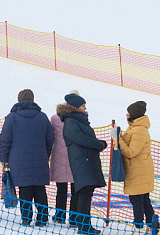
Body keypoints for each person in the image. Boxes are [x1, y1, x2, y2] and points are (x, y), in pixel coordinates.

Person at [0, 89, 54, 227]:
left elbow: (5, 140)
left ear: (19, 100)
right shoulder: (42, 117)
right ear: (33, 99)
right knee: (40, 188)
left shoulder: (12, 117)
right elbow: (50, 138)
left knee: (24, 189)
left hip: (18, 160)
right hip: (40, 158)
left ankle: (26, 217)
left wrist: (4, 159)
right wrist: (45, 154)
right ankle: (42, 218)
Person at [59, 93, 107, 235]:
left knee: (86, 193)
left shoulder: (77, 120)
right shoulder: (71, 122)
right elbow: (81, 139)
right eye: (82, 105)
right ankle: (84, 226)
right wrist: (98, 144)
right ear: (75, 107)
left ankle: (85, 225)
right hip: (82, 161)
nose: (85, 108)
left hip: (86, 160)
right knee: (85, 193)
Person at [111, 101, 155, 234]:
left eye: (128, 113)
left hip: (138, 172)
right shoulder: (134, 128)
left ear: (134, 115)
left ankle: (139, 227)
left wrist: (117, 139)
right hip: (138, 170)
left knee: (137, 200)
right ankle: (151, 226)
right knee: (143, 200)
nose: (126, 115)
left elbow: (131, 152)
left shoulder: (139, 130)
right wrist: (119, 135)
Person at [50, 91, 77, 225]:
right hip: (75, 157)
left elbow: (50, 136)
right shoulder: (79, 118)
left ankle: (59, 216)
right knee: (75, 191)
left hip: (58, 157)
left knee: (61, 190)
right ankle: (73, 218)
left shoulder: (55, 118)